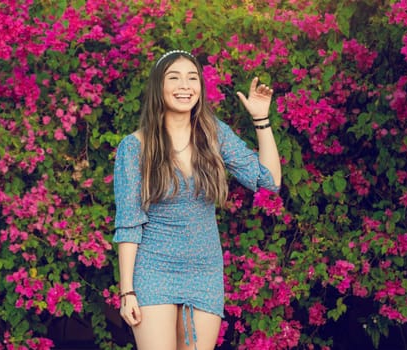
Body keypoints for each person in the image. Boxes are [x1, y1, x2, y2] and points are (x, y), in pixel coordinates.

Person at [113, 49, 281, 350]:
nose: (184, 86)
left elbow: (269, 181)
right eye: (174, 78)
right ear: (158, 87)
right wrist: (127, 292)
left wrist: (261, 120)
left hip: (204, 271)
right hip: (154, 268)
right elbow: (128, 224)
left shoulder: (214, 135)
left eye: (192, 78)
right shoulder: (134, 147)